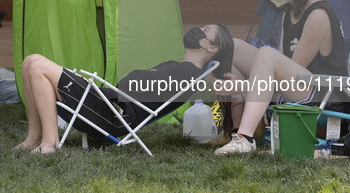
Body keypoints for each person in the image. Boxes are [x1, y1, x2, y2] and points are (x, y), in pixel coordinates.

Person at [14, 24, 234, 153]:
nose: (198, 30)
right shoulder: (180, 68)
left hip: (113, 114)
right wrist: (144, 77)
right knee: (30, 61)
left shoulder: (188, 73)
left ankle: (50, 143)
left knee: (37, 67)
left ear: (213, 47)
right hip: (108, 103)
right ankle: (34, 138)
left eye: (205, 30)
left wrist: (142, 76)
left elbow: (130, 82)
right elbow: (131, 83)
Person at [213, 0, 349, 154]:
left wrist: (242, 86)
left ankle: (245, 139)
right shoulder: (290, 11)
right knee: (234, 47)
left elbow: (294, 73)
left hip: (324, 93)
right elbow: (284, 69)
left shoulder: (317, 14)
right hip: (301, 85)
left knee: (267, 54)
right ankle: (236, 131)